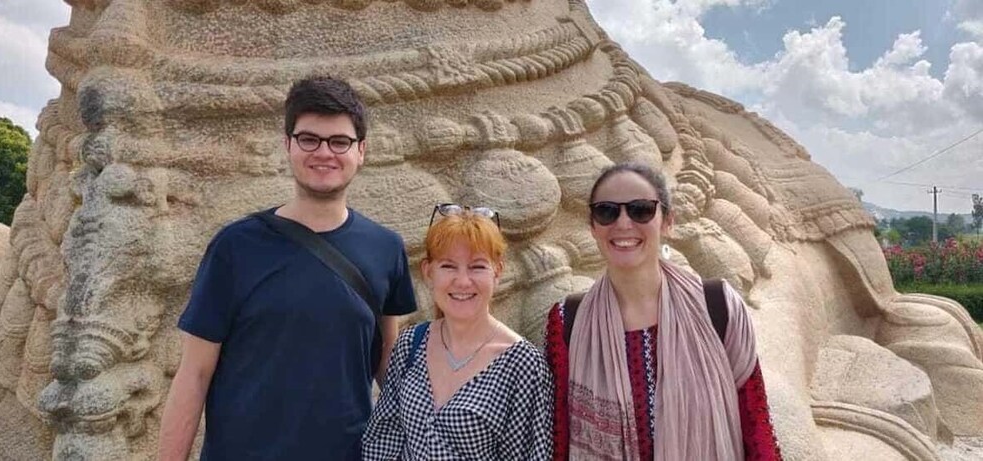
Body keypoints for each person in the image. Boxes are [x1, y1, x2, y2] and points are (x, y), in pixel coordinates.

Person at [157, 76, 417, 460]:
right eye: (309, 139)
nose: (324, 153)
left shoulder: (386, 248)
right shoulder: (235, 247)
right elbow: (193, 375)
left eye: (339, 141)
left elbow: (387, 362)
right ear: (288, 145)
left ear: (361, 151)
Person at [544, 162, 782, 460]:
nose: (623, 223)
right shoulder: (568, 320)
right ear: (593, 226)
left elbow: (756, 428)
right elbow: (560, 439)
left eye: (641, 209)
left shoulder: (717, 306)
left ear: (667, 221)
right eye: (607, 211)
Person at [362, 204, 552, 460]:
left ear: (497, 271)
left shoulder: (523, 366)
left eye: (477, 267)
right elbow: (383, 439)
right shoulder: (410, 344)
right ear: (428, 272)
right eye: (449, 266)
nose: (462, 281)